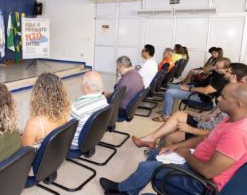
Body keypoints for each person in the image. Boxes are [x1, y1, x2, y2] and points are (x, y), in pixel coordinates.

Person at [100, 83, 247, 195]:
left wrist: (186, 154)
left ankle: (122, 191)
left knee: (147, 167)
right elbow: (205, 137)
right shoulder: (231, 118)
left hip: (201, 183)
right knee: (154, 154)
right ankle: (129, 188)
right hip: (196, 163)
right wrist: (176, 147)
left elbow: (208, 172)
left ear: (239, 105)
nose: (218, 98)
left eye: (224, 97)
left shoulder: (237, 133)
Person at [133, 62, 247, 148]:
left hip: (206, 131)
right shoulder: (228, 89)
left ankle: (158, 155)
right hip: (205, 122)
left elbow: (218, 132)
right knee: (178, 115)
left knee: (170, 135)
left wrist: (191, 129)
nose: (224, 72)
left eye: (228, 71)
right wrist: (197, 115)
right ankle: (151, 139)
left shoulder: (235, 99)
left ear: (233, 75)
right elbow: (213, 112)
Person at [153, 57, 230, 122]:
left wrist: (190, 88)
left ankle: (165, 116)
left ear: (226, 69)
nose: (215, 68)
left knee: (169, 92)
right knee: (170, 86)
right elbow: (205, 69)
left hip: (201, 96)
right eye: (215, 65)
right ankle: (167, 110)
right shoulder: (217, 71)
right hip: (196, 88)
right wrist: (215, 67)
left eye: (218, 67)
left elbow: (206, 91)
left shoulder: (220, 79)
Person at [22, 72, 70, 149]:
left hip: (38, 160)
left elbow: (25, 153)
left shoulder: (34, 123)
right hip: (54, 155)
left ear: (37, 94)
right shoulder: (65, 113)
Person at [70, 71, 108, 149]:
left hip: (75, 144)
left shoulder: (77, 107)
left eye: (82, 81)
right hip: (93, 138)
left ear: (86, 86)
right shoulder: (103, 99)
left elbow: (64, 128)